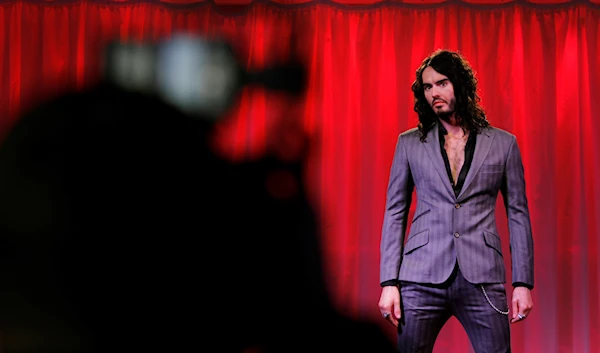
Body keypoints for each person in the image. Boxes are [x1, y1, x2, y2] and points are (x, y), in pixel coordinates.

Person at [377, 49, 534, 353]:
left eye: (442, 83)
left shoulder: (504, 143)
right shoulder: (409, 143)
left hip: (483, 276)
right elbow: (395, 211)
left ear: (460, 84)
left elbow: (518, 213)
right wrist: (388, 282)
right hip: (420, 276)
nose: (434, 92)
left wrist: (522, 283)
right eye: (427, 86)